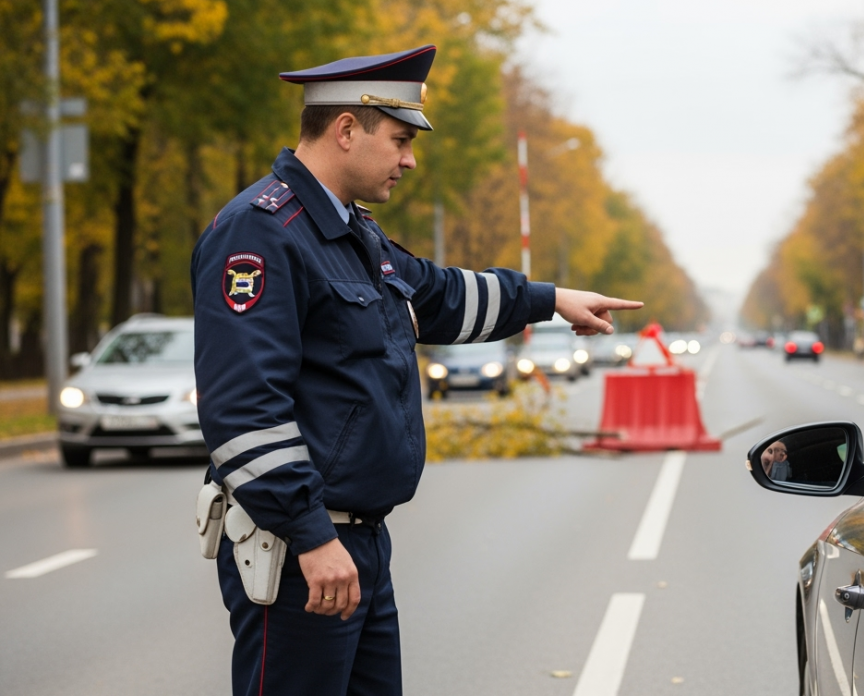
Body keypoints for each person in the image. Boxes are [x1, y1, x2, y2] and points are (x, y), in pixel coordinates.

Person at [191, 45, 641, 696]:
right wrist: (312, 537)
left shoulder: (351, 234)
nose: (410, 158)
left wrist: (547, 300)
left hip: (358, 545)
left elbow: (438, 297)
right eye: (401, 139)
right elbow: (243, 412)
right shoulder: (260, 236)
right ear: (347, 130)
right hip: (300, 551)